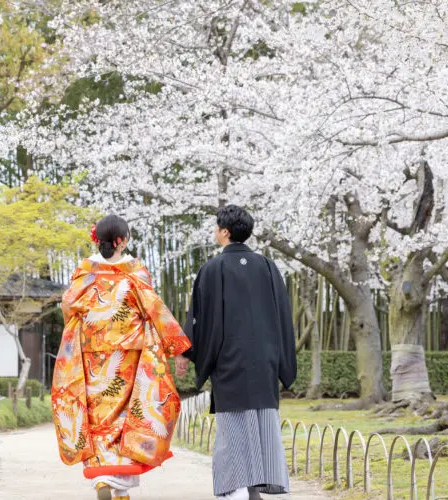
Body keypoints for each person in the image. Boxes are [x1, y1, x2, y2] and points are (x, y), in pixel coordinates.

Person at [52, 215, 191, 500]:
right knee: (126, 420)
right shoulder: (135, 271)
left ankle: (102, 480)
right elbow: (154, 308)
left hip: (91, 360)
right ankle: (120, 490)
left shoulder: (85, 271)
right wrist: (178, 347)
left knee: (97, 421)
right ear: (123, 240)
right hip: (128, 358)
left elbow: (69, 305)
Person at [176, 205, 297, 500]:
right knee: (262, 422)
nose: (215, 232)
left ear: (225, 232)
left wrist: (185, 352)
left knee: (233, 428)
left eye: (217, 227)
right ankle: (256, 486)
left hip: (229, 361)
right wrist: (281, 359)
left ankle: (237, 489)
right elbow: (282, 315)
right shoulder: (268, 267)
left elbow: (199, 318)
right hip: (265, 360)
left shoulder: (213, 269)